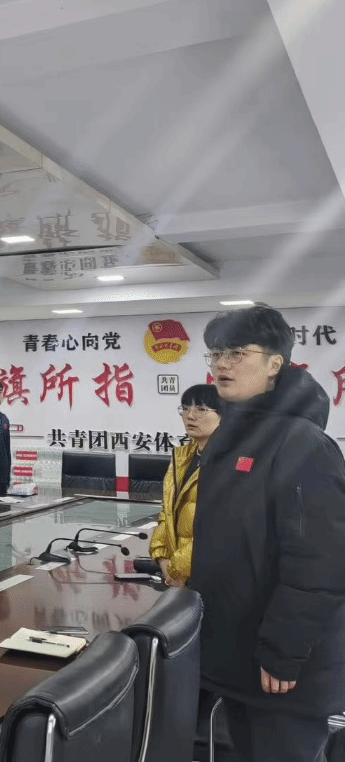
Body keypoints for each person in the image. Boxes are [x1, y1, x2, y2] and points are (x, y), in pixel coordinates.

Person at [188, 304, 345, 761]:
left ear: (275, 363)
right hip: (238, 654)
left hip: (282, 670)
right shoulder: (231, 437)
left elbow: (320, 563)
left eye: (237, 353)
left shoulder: (304, 445)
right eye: (216, 353)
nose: (221, 364)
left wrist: (283, 652)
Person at [148, 383, 220, 589]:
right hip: (178, 576)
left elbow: (218, 529)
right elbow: (167, 513)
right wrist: (163, 559)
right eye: (186, 408)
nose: (190, 416)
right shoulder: (183, 458)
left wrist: (177, 570)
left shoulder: (229, 462)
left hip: (210, 576)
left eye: (201, 409)